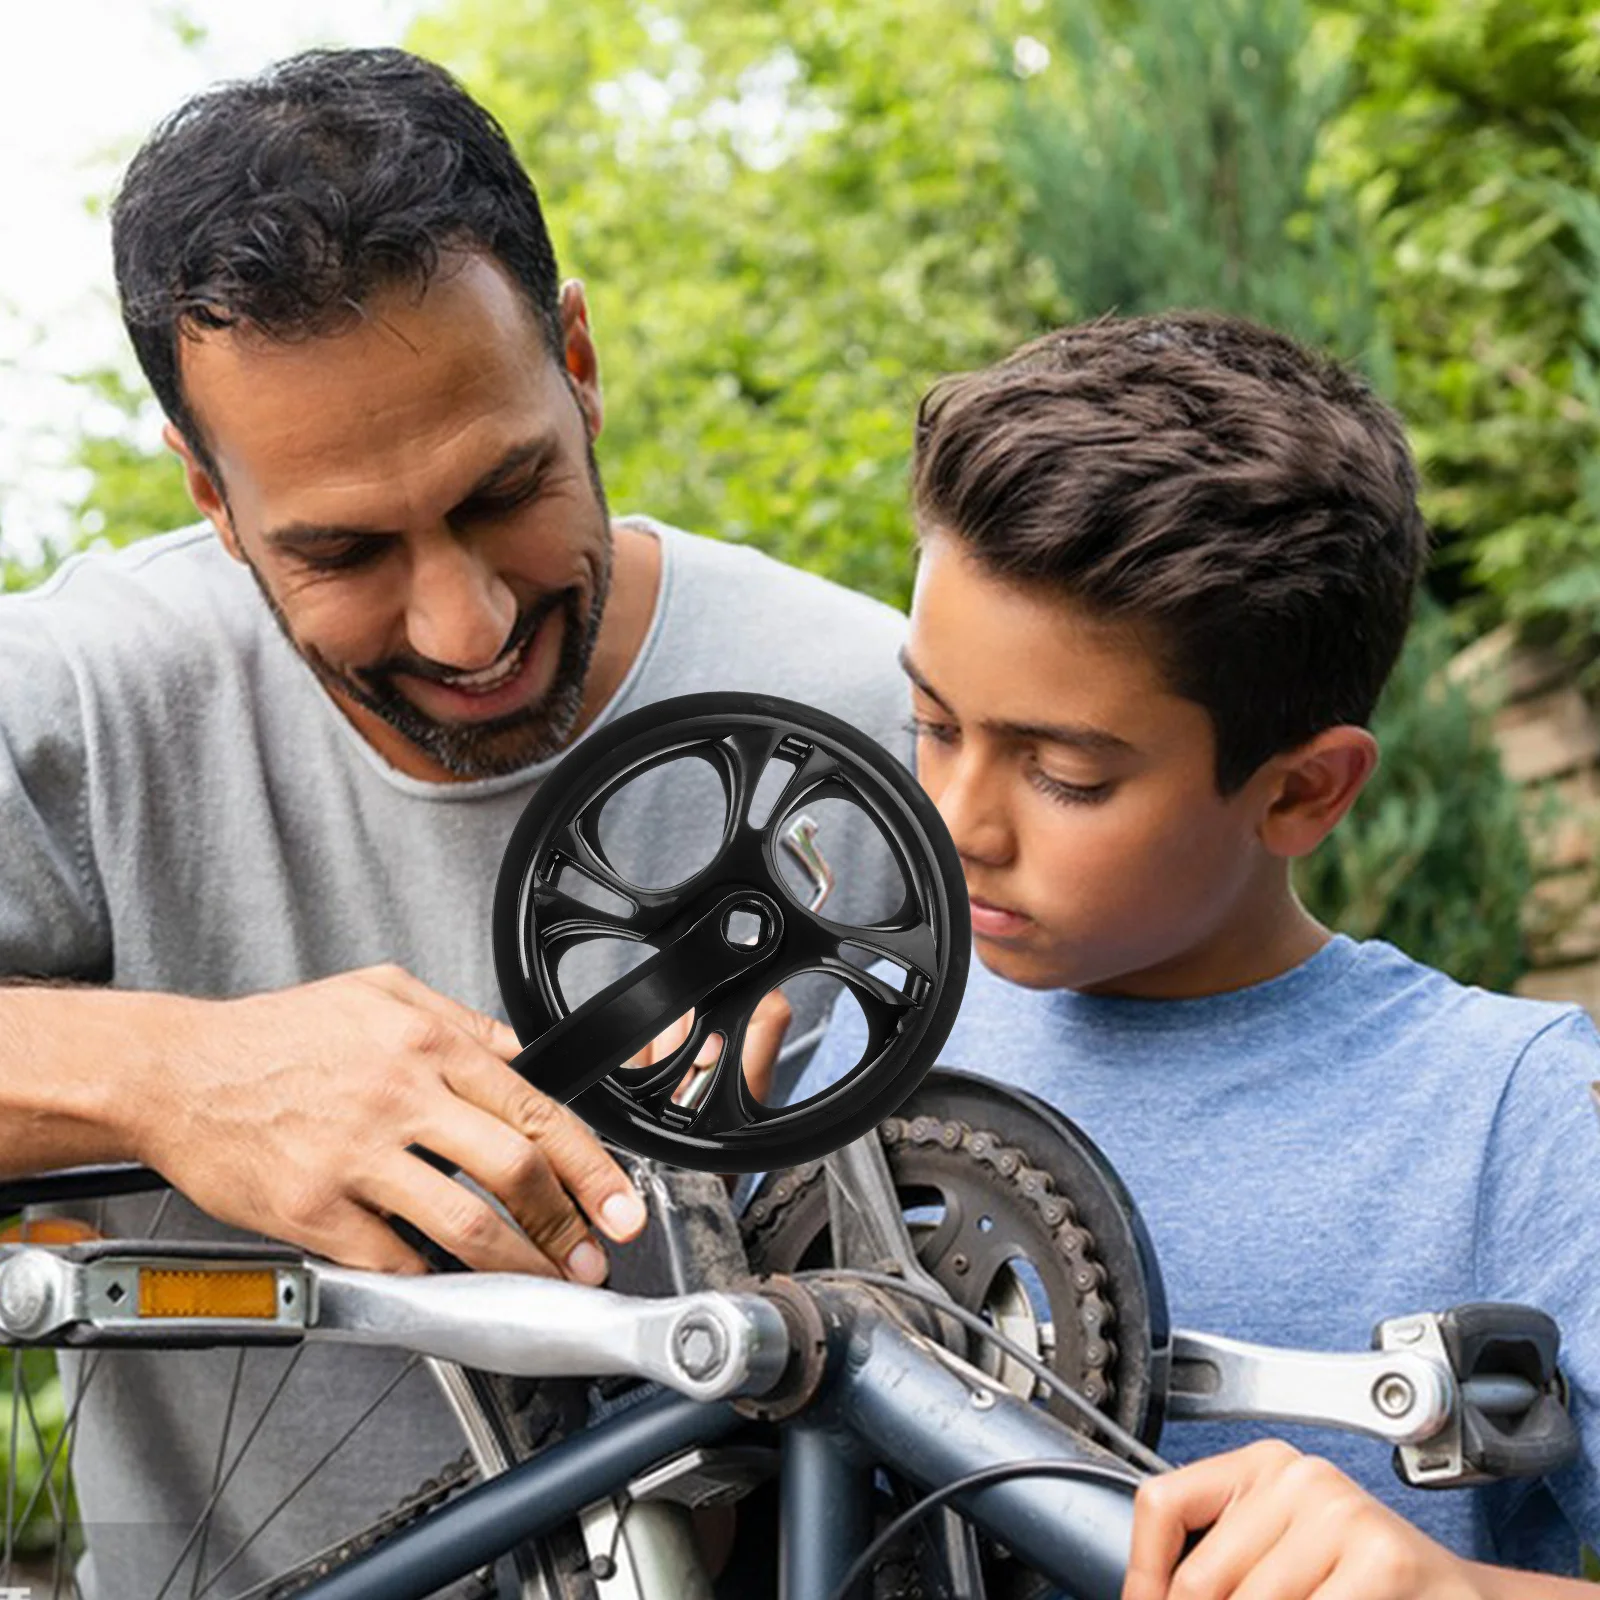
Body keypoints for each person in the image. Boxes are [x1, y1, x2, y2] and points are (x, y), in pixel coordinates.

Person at [0, 46, 910, 1595]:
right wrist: (173, 1078)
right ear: (213, 501)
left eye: (504, 491)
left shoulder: (883, 713)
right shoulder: (87, 701)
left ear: (578, 359)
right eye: (344, 550)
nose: (467, 619)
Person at [784, 311, 1600, 1597]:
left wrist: (1458, 1589)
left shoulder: (1520, 1113)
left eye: (1064, 774)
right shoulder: (871, 1026)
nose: (953, 825)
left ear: (1301, 793)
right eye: (931, 723)